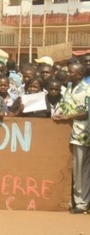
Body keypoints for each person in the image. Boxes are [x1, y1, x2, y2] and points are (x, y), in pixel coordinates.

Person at [54, 63, 90, 214]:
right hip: (70, 133)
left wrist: (68, 116)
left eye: (71, 72)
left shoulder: (87, 90)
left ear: (80, 74)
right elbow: (63, 104)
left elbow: (87, 112)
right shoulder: (69, 88)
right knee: (76, 168)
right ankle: (78, 200)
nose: (68, 74)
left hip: (83, 133)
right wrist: (58, 112)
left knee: (82, 169)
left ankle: (82, 203)